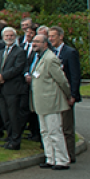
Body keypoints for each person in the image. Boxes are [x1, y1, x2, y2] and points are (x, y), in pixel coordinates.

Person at [29, 33, 72, 170]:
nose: (34, 44)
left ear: (45, 44)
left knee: (54, 131)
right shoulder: (38, 58)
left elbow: (62, 80)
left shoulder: (50, 59)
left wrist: (68, 95)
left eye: (37, 41)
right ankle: (50, 158)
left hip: (51, 101)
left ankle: (62, 160)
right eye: (33, 41)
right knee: (45, 132)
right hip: (41, 102)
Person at [47, 26, 81, 163]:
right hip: (52, 94)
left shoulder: (69, 52)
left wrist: (73, 95)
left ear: (61, 36)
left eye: (53, 36)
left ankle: (70, 155)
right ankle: (58, 154)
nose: (50, 39)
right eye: (49, 36)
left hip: (65, 94)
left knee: (66, 127)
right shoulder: (50, 52)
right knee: (55, 127)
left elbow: (75, 75)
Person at [0, 27, 27, 151]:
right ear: (2, 37)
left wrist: (3, 76)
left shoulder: (20, 51)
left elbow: (18, 68)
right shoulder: (0, 52)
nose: (9, 38)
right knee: (5, 116)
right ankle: (10, 138)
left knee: (13, 116)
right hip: (0, 88)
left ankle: (16, 141)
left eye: (11, 35)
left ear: (15, 37)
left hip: (13, 89)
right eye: (6, 36)